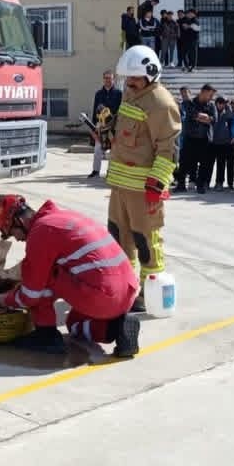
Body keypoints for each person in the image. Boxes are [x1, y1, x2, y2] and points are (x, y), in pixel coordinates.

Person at [0, 196, 141, 358]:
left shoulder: (40, 232)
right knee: (73, 321)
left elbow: (31, 294)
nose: (17, 239)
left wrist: (4, 299)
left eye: (12, 233)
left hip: (103, 296)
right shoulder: (62, 218)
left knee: (43, 276)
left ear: (19, 221)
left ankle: (47, 336)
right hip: (128, 291)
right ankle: (120, 325)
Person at [105, 45, 181, 312]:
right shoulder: (130, 94)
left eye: (135, 78)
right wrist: (108, 131)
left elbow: (168, 150)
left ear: (151, 73)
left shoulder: (162, 104)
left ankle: (151, 293)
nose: (130, 82)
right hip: (120, 185)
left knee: (146, 241)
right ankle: (124, 288)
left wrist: (156, 187)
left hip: (143, 189)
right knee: (118, 238)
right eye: (128, 78)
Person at [176, 84, 217, 194]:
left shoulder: (211, 105)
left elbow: (214, 120)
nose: (211, 97)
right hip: (190, 137)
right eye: (210, 95)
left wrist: (200, 117)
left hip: (204, 139)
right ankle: (181, 185)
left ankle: (200, 185)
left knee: (204, 163)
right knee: (184, 162)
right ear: (203, 92)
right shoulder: (191, 103)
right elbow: (192, 114)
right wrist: (205, 117)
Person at [89, 70, 122, 179]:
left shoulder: (119, 94)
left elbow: (121, 111)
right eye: (106, 78)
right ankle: (95, 170)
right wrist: (94, 128)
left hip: (114, 126)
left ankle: (111, 172)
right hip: (101, 126)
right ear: (103, 79)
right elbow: (95, 110)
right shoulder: (98, 94)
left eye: (110, 78)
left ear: (113, 79)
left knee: (113, 150)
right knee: (97, 148)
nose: (108, 80)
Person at [211, 97, 234, 191]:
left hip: (228, 143)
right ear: (216, 103)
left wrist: (228, 106)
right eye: (221, 103)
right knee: (220, 164)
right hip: (217, 142)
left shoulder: (227, 113)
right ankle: (219, 182)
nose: (222, 105)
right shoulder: (213, 112)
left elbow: (231, 116)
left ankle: (230, 183)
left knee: (230, 164)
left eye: (224, 103)